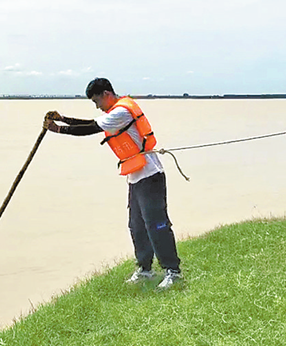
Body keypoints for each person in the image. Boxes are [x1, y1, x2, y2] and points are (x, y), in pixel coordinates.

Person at [43, 77, 182, 290]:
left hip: (150, 175)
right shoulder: (113, 112)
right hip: (136, 177)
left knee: (156, 225)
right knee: (136, 226)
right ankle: (145, 269)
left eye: (97, 101)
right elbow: (91, 122)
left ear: (107, 94)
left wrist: (59, 129)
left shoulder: (121, 112)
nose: (97, 106)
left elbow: (90, 128)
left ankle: (173, 271)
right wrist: (63, 119)